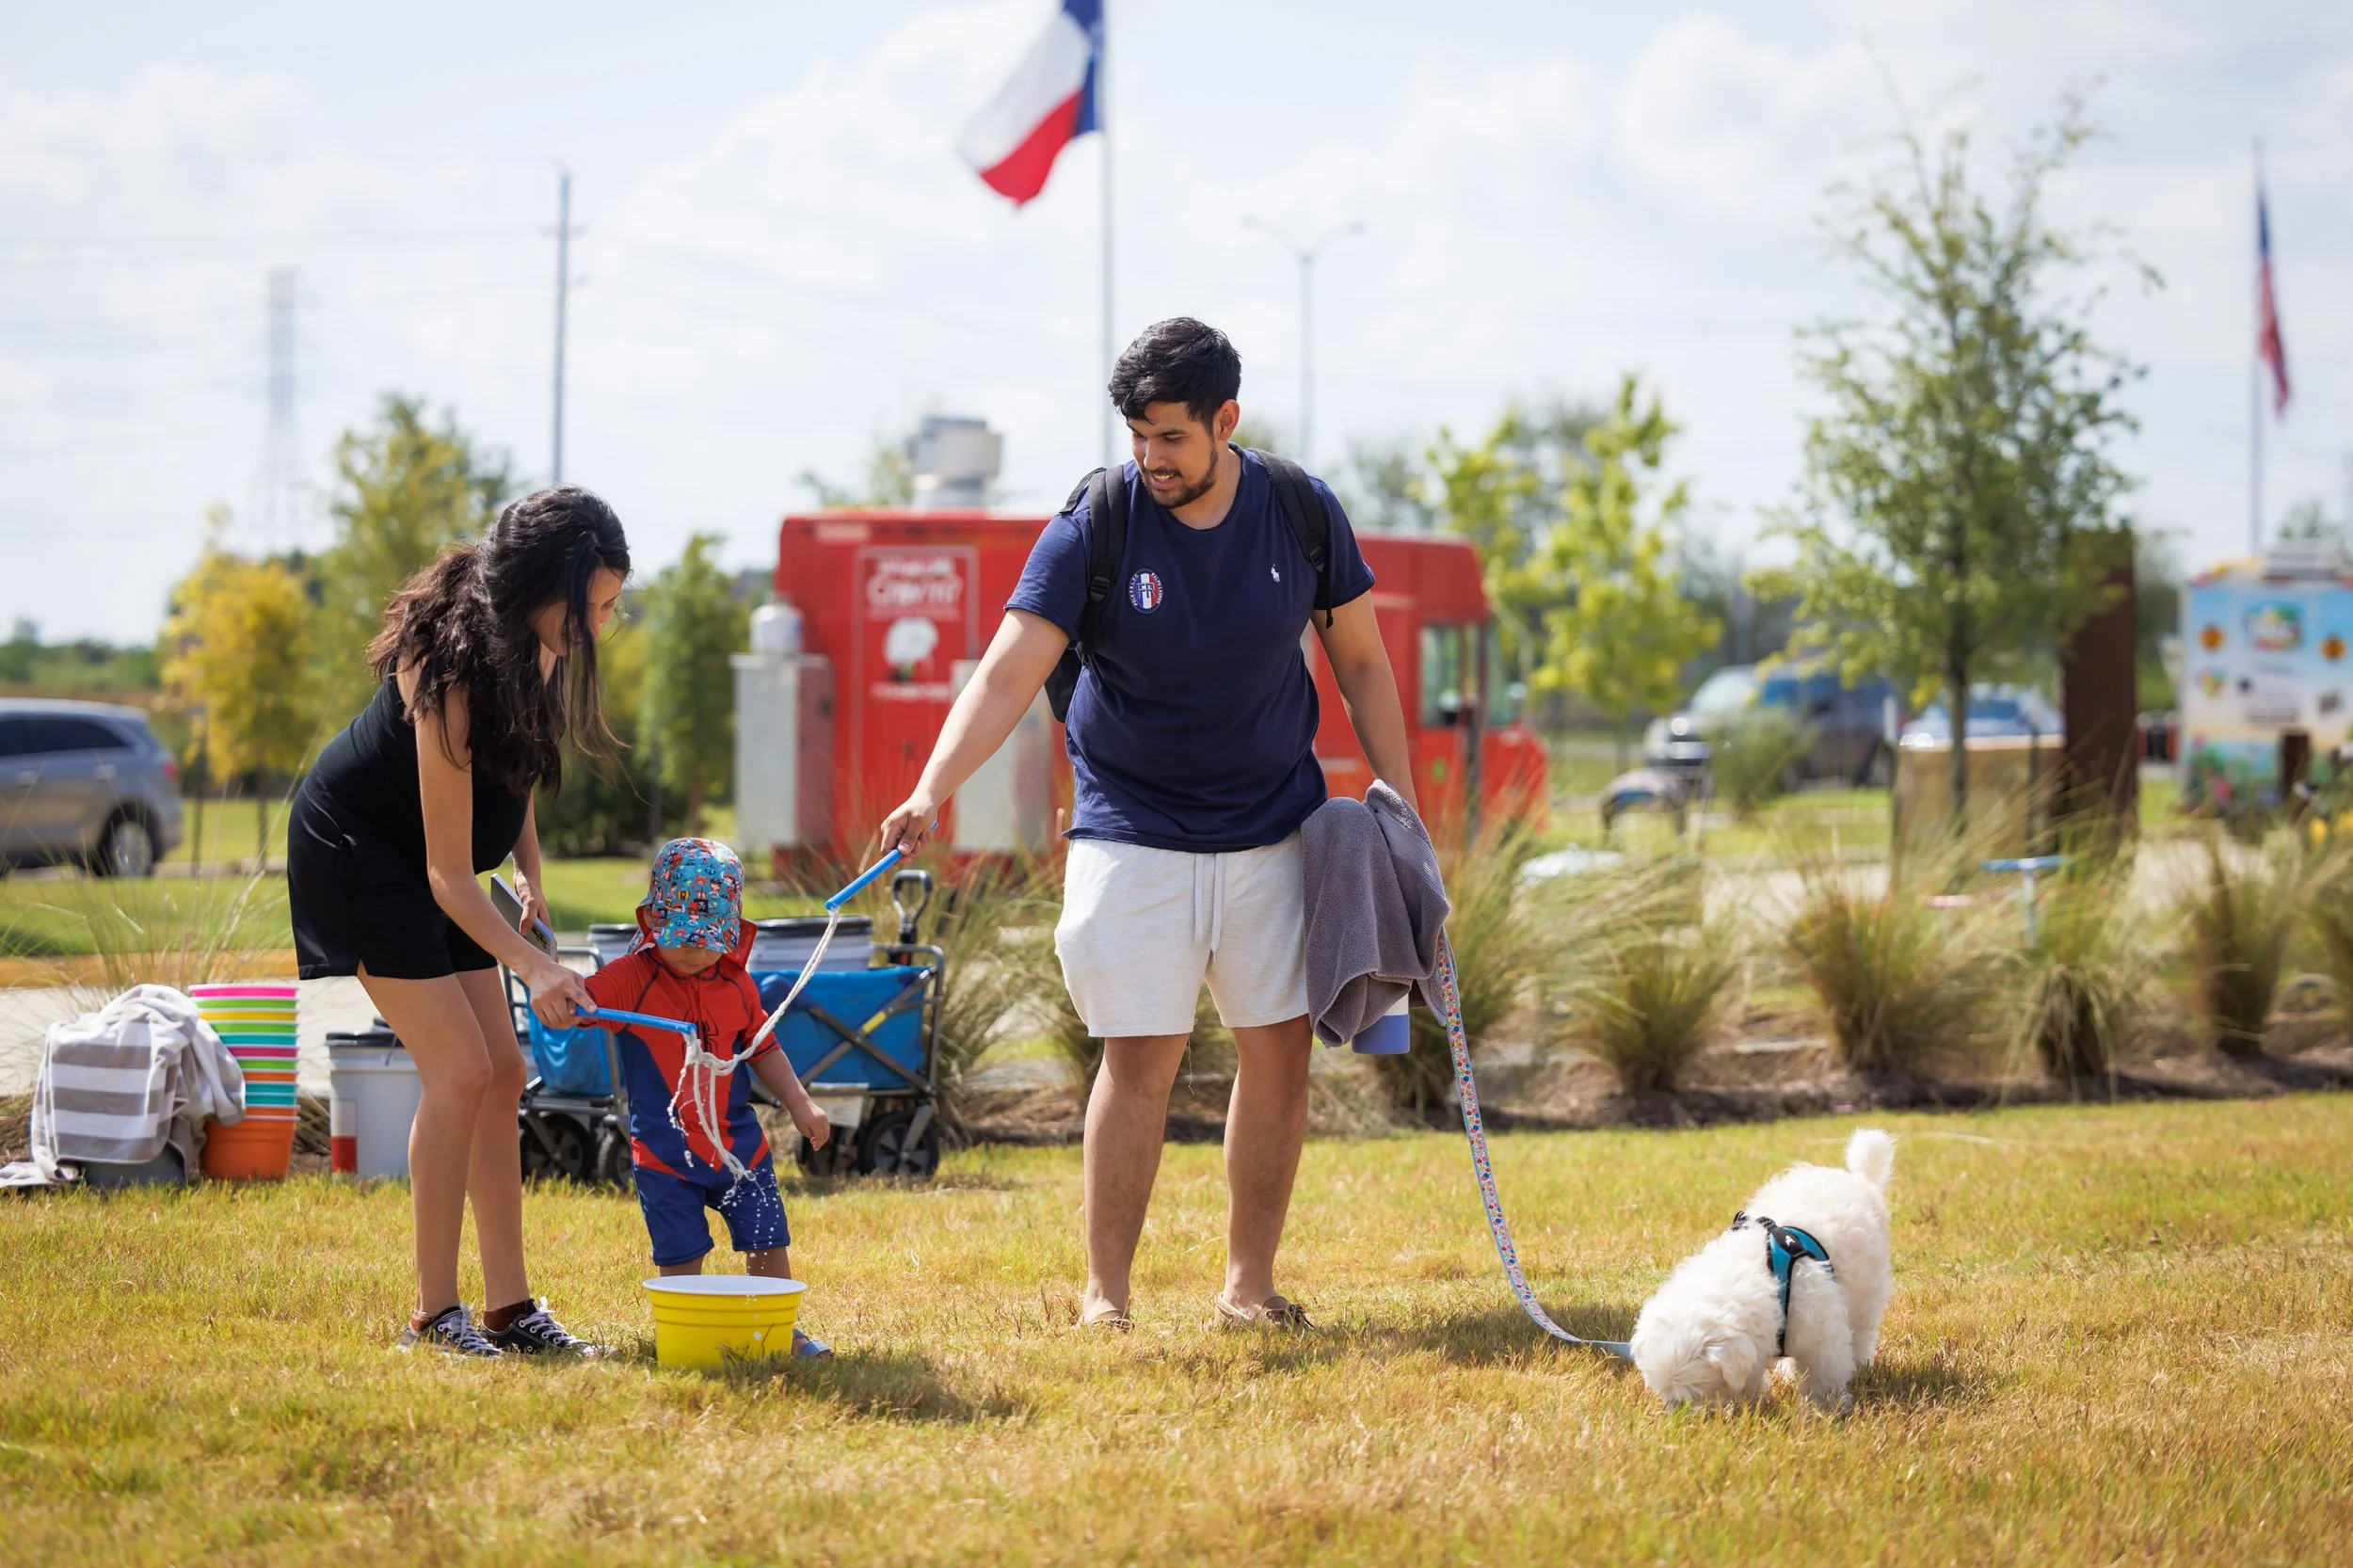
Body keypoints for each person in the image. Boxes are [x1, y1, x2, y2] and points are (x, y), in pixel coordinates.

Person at [877, 318, 1417, 1330]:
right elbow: (1006, 668)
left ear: (1226, 421)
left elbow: (1362, 665)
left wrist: (1400, 805)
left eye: (1170, 436)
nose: (1149, 458)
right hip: (1130, 828)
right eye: (1136, 435)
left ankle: (1248, 1290)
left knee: (1279, 1054)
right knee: (1138, 1060)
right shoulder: (1099, 519)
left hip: (1273, 827)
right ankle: (1105, 1299)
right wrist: (931, 786)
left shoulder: (1298, 511)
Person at [287, 487, 628, 1356]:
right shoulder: (442, 670)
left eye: (610, 607)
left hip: (437, 867)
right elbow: (443, 876)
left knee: (504, 1070)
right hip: (361, 855)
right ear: (540, 587)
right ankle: (434, 1319)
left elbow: (513, 777)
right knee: (461, 1070)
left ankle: (511, 1311)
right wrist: (537, 968)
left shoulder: (541, 646)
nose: (598, 625)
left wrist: (531, 876)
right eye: (590, 606)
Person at [574, 838, 835, 1356]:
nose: (693, 948)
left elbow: (764, 1048)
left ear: (729, 934)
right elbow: (584, 1003)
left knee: (767, 1237)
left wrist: (800, 1104)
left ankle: (775, 1331)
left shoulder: (736, 985)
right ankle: (691, 1332)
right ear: (654, 923)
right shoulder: (633, 978)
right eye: (680, 935)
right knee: (681, 1252)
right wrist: (564, 997)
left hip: (739, 1150)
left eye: (707, 937)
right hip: (665, 1155)